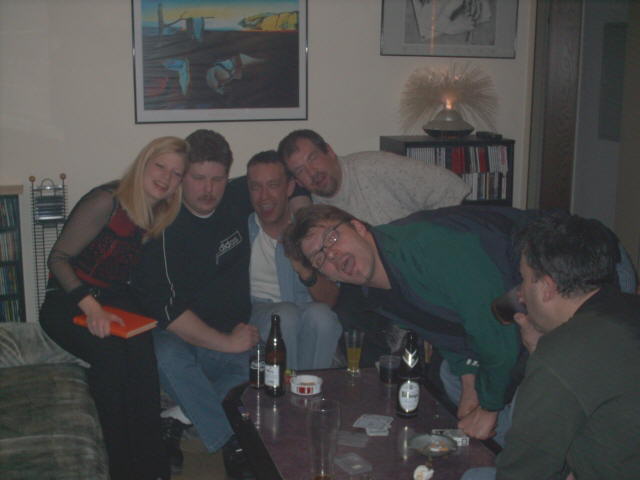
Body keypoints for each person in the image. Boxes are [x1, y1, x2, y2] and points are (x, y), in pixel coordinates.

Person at [39, 136, 188, 480]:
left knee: (143, 355)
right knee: (111, 357)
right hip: (67, 299)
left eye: (176, 173)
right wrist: (91, 308)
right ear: (143, 164)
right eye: (160, 166)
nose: (166, 178)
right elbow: (57, 259)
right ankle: (120, 469)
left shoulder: (159, 212)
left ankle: (152, 470)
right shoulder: (106, 200)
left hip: (113, 296)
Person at [461, 213, 640, 480]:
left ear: (547, 287)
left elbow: (523, 472)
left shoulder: (561, 355)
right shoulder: (628, 309)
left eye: (524, 279)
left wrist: (545, 356)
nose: (520, 294)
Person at [278, 129, 471, 365]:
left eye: (313, 158)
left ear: (329, 151)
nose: (312, 173)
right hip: (374, 287)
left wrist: (431, 254)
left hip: (421, 269)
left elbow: (451, 188)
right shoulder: (315, 214)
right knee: (347, 311)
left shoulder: (374, 168)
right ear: (298, 182)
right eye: (301, 171)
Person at [132, 129, 259, 480]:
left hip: (227, 338)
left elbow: (286, 178)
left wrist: (299, 203)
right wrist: (228, 343)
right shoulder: (160, 226)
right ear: (181, 178)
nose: (208, 189)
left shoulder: (236, 198)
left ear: (228, 177)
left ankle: (177, 417)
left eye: (217, 179)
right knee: (165, 353)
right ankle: (233, 444)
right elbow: (169, 313)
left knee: (261, 366)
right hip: (178, 339)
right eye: (198, 178)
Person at [246, 150, 342, 370]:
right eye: (255, 187)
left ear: (289, 188)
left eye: (273, 185)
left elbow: (330, 300)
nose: (264, 197)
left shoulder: (311, 233)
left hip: (307, 310)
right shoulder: (240, 234)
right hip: (261, 311)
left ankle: (312, 386)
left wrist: (303, 266)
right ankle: (285, 387)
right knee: (284, 316)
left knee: (322, 316)